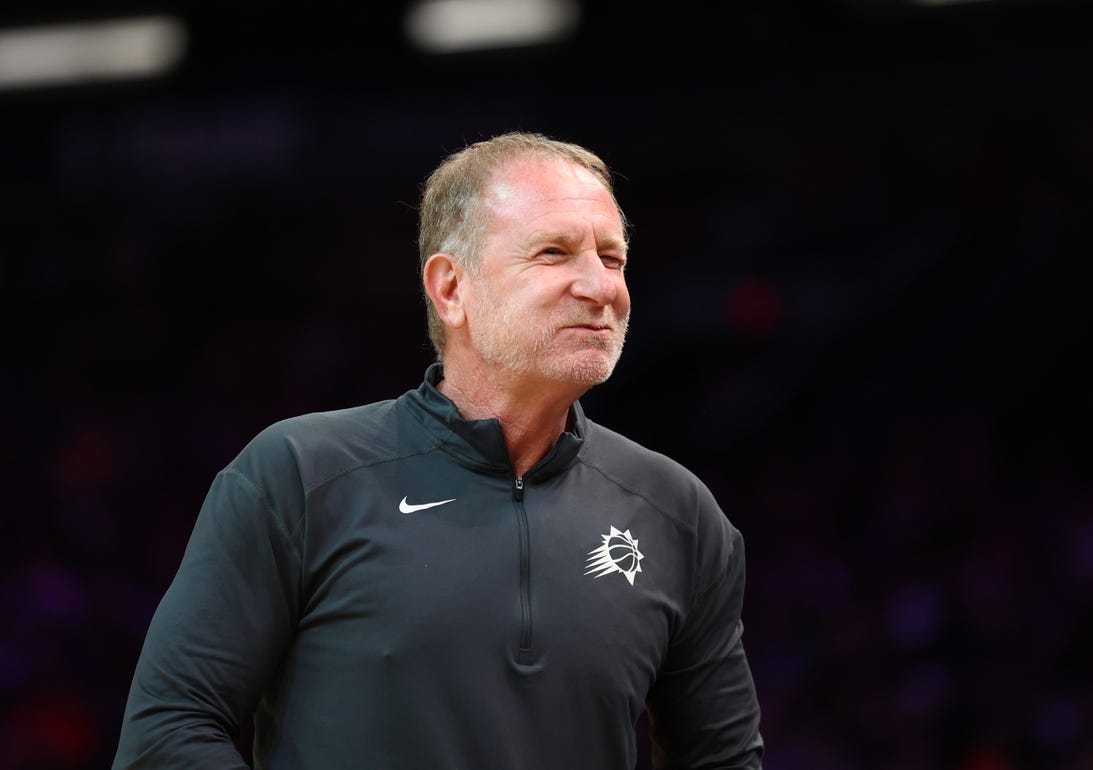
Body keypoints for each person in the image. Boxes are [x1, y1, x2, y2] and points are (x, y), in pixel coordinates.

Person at [112, 131, 765, 769]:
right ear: (451, 289)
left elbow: (724, 759)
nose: (600, 287)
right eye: (554, 253)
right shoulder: (299, 475)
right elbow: (169, 732)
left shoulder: (678, 512)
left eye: (613, 258)